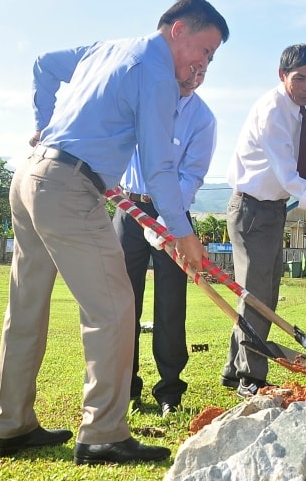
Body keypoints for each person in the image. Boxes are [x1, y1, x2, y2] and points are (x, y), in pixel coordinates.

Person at [0, 0, 229, 465]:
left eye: (211, 58)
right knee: (117, 309)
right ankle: (102, 433)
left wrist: (44, 126)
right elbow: (159, 170)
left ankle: (10, 425)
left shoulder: (110, 48)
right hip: (68, 187)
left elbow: (42, 65)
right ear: (178, 30)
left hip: (31, 175)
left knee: (27, 306)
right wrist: (184, 234)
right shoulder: (156, 74)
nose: (204, 63)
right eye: (205, 49)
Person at [221, 43, 306, 398]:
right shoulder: (274, 110)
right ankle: (251, 378)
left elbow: (296, 161)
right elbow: (284, 172)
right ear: (282, 75)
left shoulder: (295, 111)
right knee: (257, 297)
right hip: (253, 210)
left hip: (271, 211)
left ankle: (235, 370)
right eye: (300, 78)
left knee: (264, 292)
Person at [113, 69, 215, 419]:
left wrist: (168, 220)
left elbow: (191, 176)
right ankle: (124, 387)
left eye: (203, 70)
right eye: (189, 68)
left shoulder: (203, 119)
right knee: (123, 303)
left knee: (171, 305)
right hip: (128, 209)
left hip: (172, 213)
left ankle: (169, 390)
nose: (194, 76)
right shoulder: (141, 103)